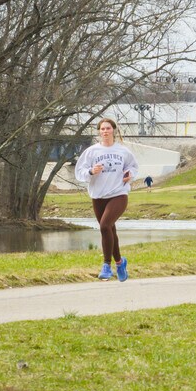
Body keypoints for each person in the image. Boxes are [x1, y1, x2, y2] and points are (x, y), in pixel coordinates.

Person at [75, 118, 139, 281]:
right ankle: (119, 262)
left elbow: (133, 167)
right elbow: (79, 171)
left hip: (118, 193)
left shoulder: (123, 151)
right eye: (102, 129)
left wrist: (129, 175)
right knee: (110, 229)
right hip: (99, 195)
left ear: (114, 130)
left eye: (108, 128)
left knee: (104, 226)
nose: (105, 131)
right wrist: (91, 171)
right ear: (99, 132)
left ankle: (106, 266)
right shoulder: (92, 151)